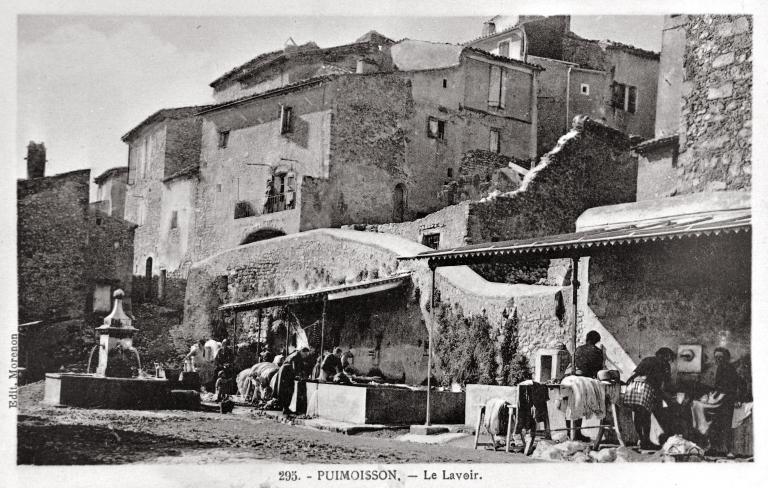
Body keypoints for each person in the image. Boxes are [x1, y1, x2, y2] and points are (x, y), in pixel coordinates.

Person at [623, 347, 676, 450]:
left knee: (638, 414)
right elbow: (666, 385)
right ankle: (646, 441)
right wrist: (670, 396)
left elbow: (633, 374)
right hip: (646, 388)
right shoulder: (665, 364)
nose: (669, 360)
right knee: (646, 416)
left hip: (633, 387)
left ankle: (641, 439)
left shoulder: (647, 359)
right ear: (666, 356)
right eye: (669, 357)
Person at [692, 347, 740, 456]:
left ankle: (728, 450)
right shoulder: (719, 368)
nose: (718, 359)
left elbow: (733, 386)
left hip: (727, 400)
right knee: (712, 423)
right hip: (719, 399)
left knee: (726, 426)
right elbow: (718, 387)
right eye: (716, 357)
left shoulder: (730, 369)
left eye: (720, 357)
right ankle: (712, 448)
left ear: (726, 358)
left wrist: (737, 399)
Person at [566, 331, 604, 442]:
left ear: (587, 339)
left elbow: (573, 364)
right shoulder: (597, 352)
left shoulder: (578, 349)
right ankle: (576, 433)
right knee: (580, 406)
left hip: (571, 379)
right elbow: (598, 370)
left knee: (571, 406)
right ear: (596, 340)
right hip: (585, 380)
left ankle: (572, 432)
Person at [275, 347, 311, 414]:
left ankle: (285, 408)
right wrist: (298, 375)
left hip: (286, 373)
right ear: (302, 352)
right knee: (288, 390)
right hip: (286, 373)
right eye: (305, 354)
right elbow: (294, 367)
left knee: (288, 390)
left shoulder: (296, 355)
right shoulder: (296, 356)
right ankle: (285, 408)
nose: (305, 356)